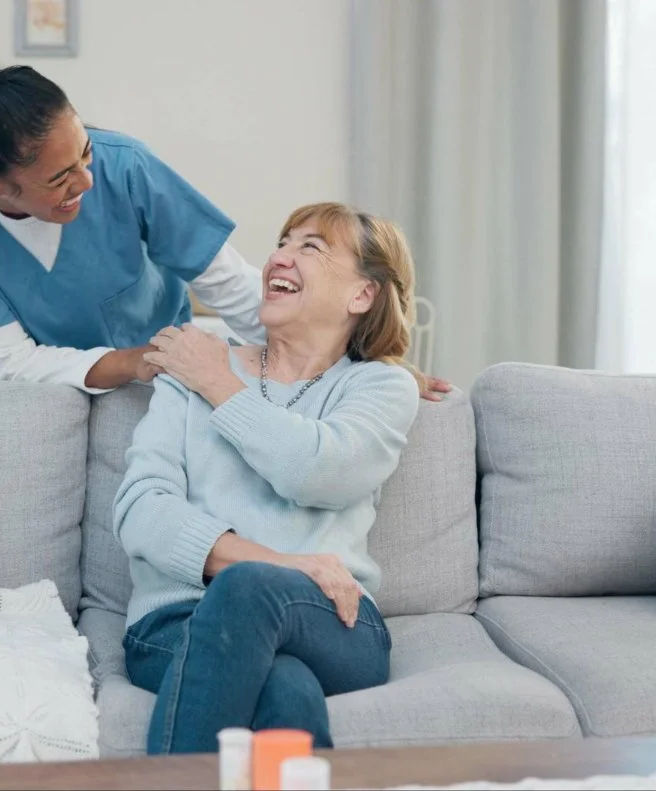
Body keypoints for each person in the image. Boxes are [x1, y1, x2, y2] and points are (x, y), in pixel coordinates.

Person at [0, 65, 451, 399]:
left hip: (165, 383)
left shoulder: (125, 167)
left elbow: (229, 284)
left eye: (86, 153)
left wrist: (362, 368)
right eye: (59, 178)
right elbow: (13, 364)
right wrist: (134, 360)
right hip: (53, 397)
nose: (88, 180)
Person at [113, 202, 424, 754]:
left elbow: (318, 471)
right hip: (177, 622)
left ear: (362, 295)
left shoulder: (380, 387)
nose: (280, 256)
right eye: (283, 242)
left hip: (330, 620)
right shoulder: (190, 369)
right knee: (286, 688)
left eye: (311, 247)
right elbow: (140, 510)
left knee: (248, 588)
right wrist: (284, 563)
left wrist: (218, 383)